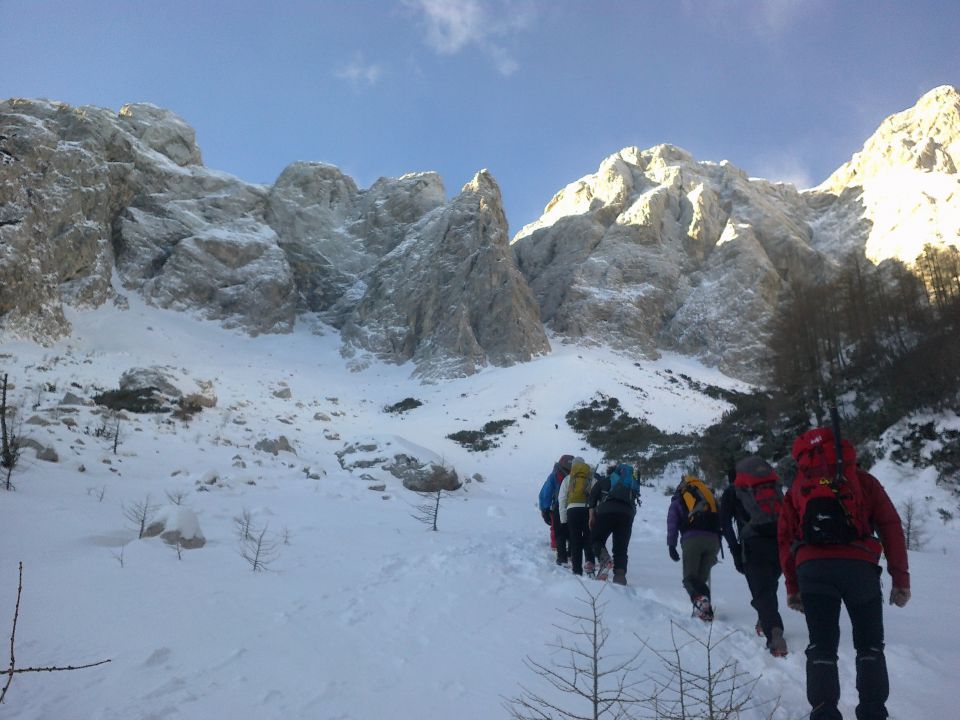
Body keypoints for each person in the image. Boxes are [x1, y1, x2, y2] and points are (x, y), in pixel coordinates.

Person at [778, 426, 910, 720]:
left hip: (813, 570)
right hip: (859, 568)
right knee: (870, 644)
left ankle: (824, 713)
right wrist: (900, 578)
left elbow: (785, 538)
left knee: (822, 646)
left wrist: (792, 586)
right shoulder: (862, 480)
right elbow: (890, 526)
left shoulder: (799, 486)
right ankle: (873, 712)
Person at [719, 456, 787, 656]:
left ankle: (775, 634)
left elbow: (725, 525)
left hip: (753, 545)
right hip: (780, 542)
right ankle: (764, 619)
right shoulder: (770, 487)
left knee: (761, 592)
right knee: (768, 587)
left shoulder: (732, 491)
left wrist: (734, 551)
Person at [667, 474, 722, 621]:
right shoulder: (709, 499)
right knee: (700, 581)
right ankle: (706, 611)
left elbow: (672, 523)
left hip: (693, 539)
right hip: (714, 541)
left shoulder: (680, 498)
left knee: (690, 579)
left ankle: (700, 604)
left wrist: (671, 545)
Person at [588, 462, 639, 585]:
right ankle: (620, 577)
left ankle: (605, 559)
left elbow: (592, 497)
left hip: (607, 512)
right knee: (621, 548)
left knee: (595, 539)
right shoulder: (631, 485)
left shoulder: (605, 481)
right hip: (627, 515)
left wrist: (591, 516)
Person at [558, 457, 595, 576]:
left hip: (572, 510)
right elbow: (597, 497)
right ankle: (590, 566)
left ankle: (577, 570)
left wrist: (563, 519)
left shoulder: (568, 479)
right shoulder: (591, 478)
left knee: (575, 540)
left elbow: (562, 499)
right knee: (589, 538)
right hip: (587, 509)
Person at [538, 454, 573, 564]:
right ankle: (572, 554)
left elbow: (546, 492)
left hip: (559, 506)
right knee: (572, 530)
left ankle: (560, 556)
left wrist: (544, 508)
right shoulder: (578, 475)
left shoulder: (555, 475)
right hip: (575, 507)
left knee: (559, 531)